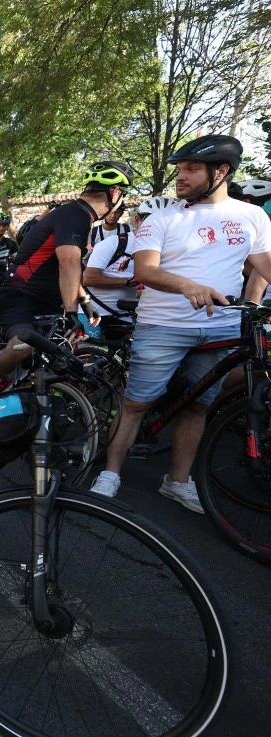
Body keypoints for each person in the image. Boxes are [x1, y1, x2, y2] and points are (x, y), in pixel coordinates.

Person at [90, 134, 271, 509]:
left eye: (191, 169)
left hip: (222, 327)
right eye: (179, 170)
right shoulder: (161, 218)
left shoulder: (252, 216)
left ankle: (177, 480)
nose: (181, 177)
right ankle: (111, 473)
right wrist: (187, 285)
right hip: (163, 326)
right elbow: (146, 271)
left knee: (198, 406)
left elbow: (265, 267)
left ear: (221, 172)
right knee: (137, 403)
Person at [0, 161, 133, 390]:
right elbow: (67, 263)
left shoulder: (77, 215)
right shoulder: (75, 215)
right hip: (21, 295)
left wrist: (84, 300)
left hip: (47, 299)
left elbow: (70, 267)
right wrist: (72, 313)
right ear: (115, 192)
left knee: (57, 356)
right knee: (22, 345)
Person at [82, 197, 172, 328]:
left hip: (139, 316)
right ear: (137, 221)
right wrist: (130, 281)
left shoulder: (171, 250)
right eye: (153, 222)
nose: (160, 228)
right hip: (99, 315)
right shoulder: (113, 243)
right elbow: (89, 279)